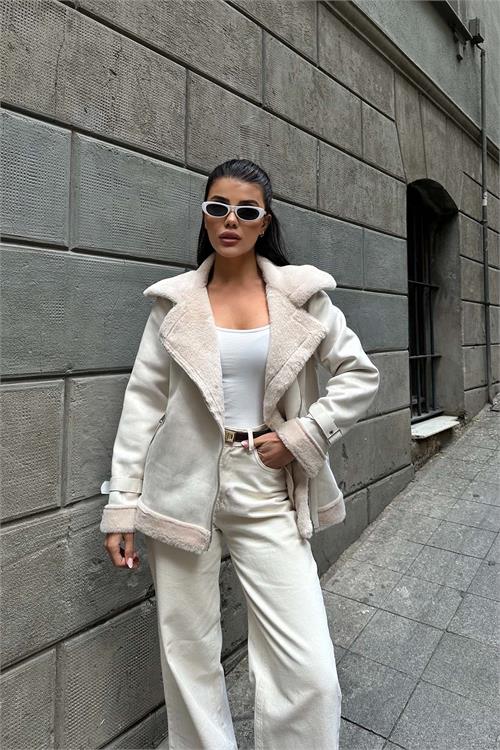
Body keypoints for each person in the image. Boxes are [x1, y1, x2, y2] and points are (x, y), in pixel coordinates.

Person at [100, 158, 380, 749]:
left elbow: (359, 374)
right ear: (204, 216)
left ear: (264, 222)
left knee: (310, 670)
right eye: (218, 207)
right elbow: (142, 405)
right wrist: (122, 505)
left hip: (267, 483)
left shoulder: (301, 297)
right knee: (188, 650)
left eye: (246, 211)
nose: (231, 220)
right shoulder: (173, 305)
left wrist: (304, 434)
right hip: (181, 486)